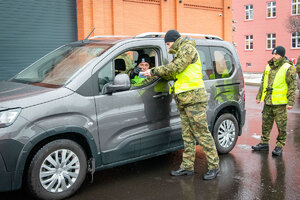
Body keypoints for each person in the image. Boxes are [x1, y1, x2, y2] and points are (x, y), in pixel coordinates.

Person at [143, 29, 220, 180]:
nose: (168, 47)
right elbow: (172, 73)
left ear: (174, 40)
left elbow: (175, 68)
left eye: (168, 43)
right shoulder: (178, 53)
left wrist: (154, 71)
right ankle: (187, 167)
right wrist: (154, 74)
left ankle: (214, 166)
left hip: (194, 99)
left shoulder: (187, 49)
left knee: (201, 133)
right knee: (187, 135)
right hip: (183, 99)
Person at [252, 46, 297, 156]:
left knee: (281, 126)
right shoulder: (268, 66)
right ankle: (264, 143)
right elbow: (263, 82)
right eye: (273, 54)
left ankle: (279, 145)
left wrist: (290, 102)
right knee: (266, 124)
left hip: (280, 103)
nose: (274, 56)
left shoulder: (288, 67)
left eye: (276, 55)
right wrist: (259, 96)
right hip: (268, 102)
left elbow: (292, 85)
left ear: (281, 55)